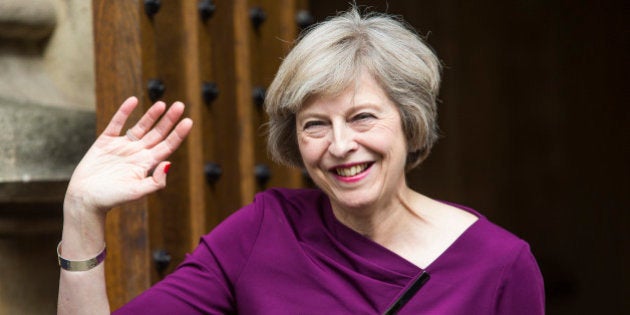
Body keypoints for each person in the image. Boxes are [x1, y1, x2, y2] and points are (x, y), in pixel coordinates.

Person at [57, 7, 545, 315]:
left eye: (362, 117)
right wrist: (82, 213)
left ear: (409, 120)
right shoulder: (263, 231)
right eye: (315, 124)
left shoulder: (499, 265)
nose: (339, 144)